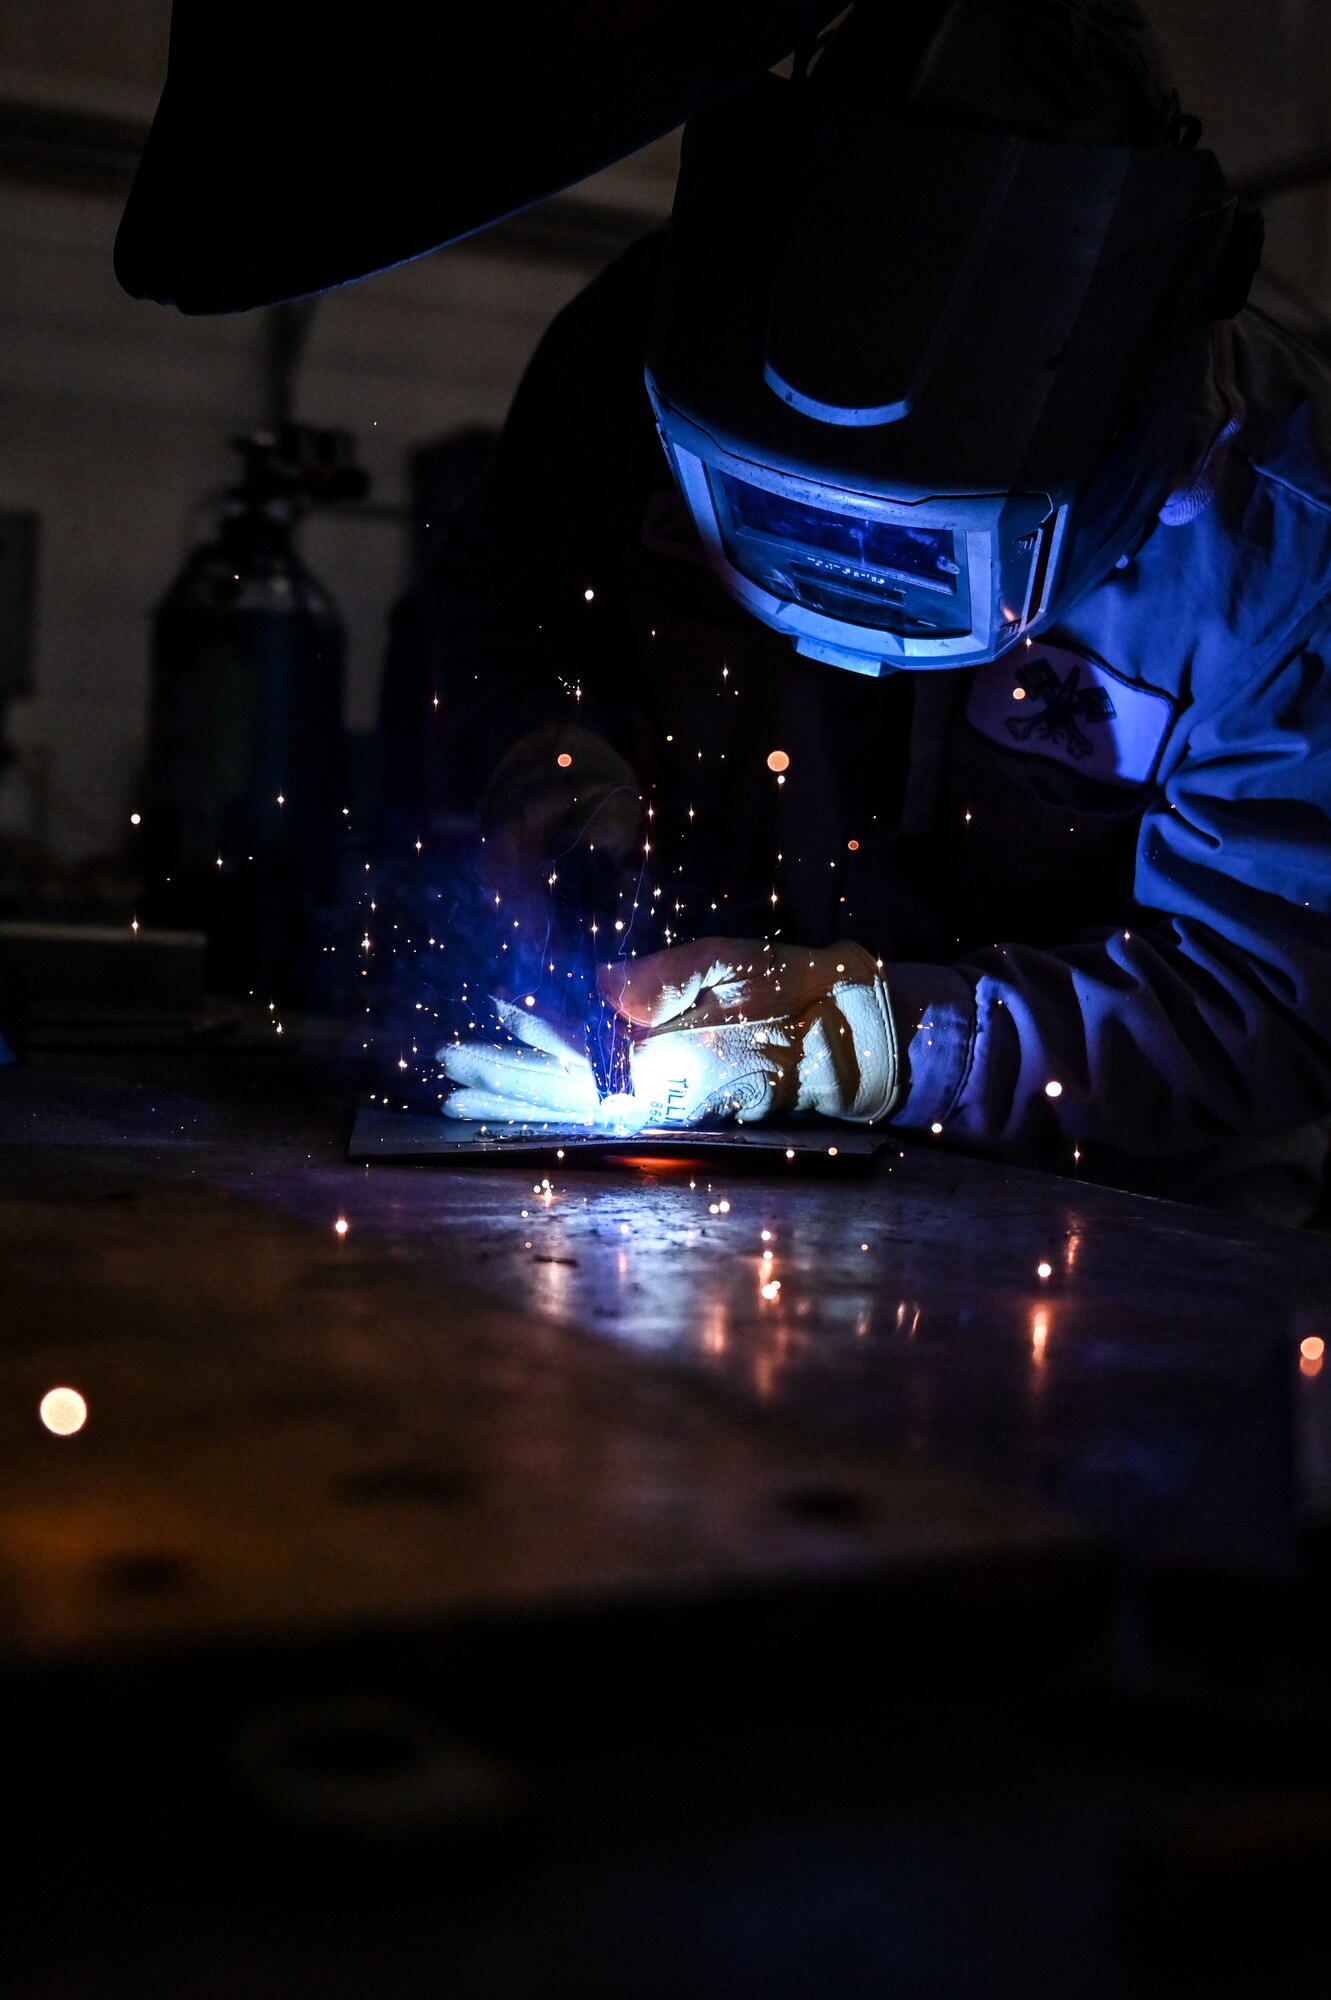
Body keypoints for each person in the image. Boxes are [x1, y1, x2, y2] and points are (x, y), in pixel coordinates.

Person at [417, 0, 1331, 1225]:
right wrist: (538, 747)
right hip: (734, 1199)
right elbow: (496, 599)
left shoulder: (1285, 544)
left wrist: (901, 1043)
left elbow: (1265, 997)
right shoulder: (647, 340)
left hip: (1130, 1232)